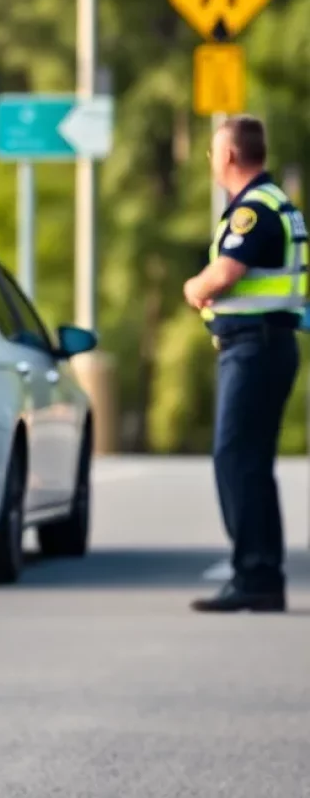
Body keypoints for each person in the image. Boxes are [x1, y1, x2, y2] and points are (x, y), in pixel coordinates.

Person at [183, 115, 307, 613]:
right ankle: (260, 577)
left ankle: (255, 575)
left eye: (214, 152)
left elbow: (226, 273)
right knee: (250, 464)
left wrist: (194, 288)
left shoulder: (253, 210)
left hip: (254, 348)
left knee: (236, 461)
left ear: (230, 156)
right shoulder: (276, 201)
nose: (212, 162)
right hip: (265, 346)